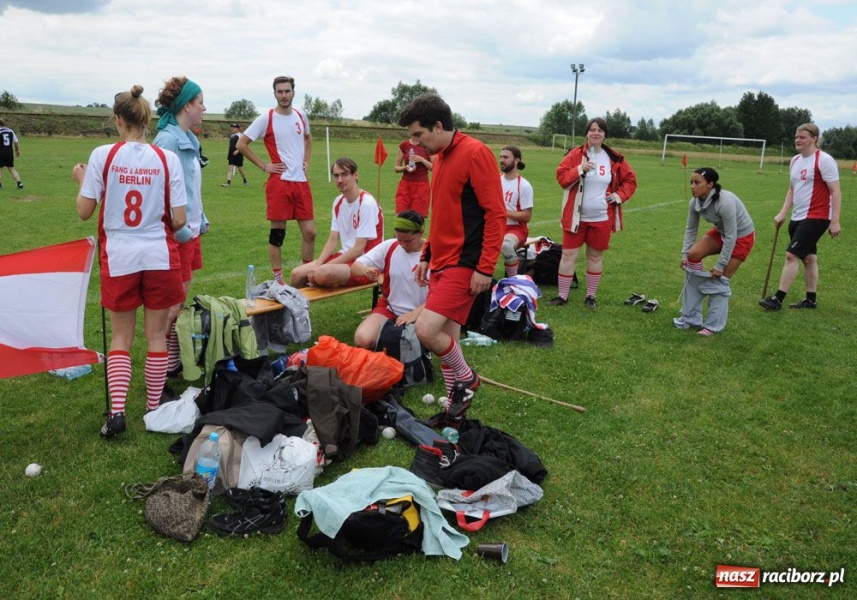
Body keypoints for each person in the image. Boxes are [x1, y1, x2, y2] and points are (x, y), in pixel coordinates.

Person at [72, 85, 188, 438]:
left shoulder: (102, 155)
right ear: (147, 120)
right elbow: (179, 219)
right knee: (156, 335)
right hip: (158, 255)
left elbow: (84, 211)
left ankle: (118, 413)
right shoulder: (167, 159)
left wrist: (83, 181)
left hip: (120, 255)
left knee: (121, 336)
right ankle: (153, 409)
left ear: (118, 120)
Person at [397, 94, 506, 424]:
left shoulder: (475, 153)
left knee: (427, 331)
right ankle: (453, 412)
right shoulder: (440, 158)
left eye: (418, 134)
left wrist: (485, 267)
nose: (415, 143)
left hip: (465, 263)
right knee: (449, 340)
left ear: (437, 126)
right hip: (441, 262)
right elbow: (442, 215)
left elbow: (496, 214)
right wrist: (427, 255)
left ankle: (468, 380)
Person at [153, 76, 208, 390]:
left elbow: (190, 187)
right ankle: (159, 373)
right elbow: (159, 194)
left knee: (180, 300)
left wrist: (202, 218)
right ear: (187, 105)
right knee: (171, 305)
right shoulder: (167, 141)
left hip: (192, 230)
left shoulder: (189, 138)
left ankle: (171, 364)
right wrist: (184, 230)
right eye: (200, 102)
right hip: (178, 235)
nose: (204, 108)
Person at [548, 117, 637, 309]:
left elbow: (630, 180)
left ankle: (590, 296)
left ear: (605, 135)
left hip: (601, 218)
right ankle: (562, 296)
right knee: (568, 255)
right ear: (587, 133)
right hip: (575, 218)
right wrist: (579, 169)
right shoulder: (575, 154)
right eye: (592, 130)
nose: (596, 133)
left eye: (600, 130)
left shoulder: (614, 158)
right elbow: (562, 178)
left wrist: (619, 195)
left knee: (595, 256)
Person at [237, 76, 315, 285]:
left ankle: (306, 276)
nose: (284, 95)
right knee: (278, 235)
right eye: (280, 92)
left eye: (287, 91)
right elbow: (241, 144)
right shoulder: (266, 118)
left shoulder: (301, 115)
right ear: (274, 94)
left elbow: (308, 138)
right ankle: (279, 280)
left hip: (301, 183)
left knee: (310, 233)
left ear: (293, 93)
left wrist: (306, 160)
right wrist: (264, 166)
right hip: (280, 183)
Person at [759, 123, 841, 310]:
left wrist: (835, 220)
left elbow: (835, 191)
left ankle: (777, 299)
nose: (797, 140)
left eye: (802, 137)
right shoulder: (795, 160)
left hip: (817, 216)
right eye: (796, 136)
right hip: (798, 216)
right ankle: (811, 300)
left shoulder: (824, 160)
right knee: (809, 258)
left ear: (814, 139)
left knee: (791, 255)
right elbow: (792, 189)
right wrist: (783, 212)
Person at [674, 167, 755, 335]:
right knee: (693, 255)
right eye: (691, 182)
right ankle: (691, 317)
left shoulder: (725, 202)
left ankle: (712, 326)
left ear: (710, 184)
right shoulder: (694, 202)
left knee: (720, 280)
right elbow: (691, 229)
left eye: (697, 183)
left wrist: (720, 264)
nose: (692, 186)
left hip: (741, 237)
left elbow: (732, 236)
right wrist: (684, 255)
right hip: (721, 233)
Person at [289, 157, 381, 288]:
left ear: (356, 175)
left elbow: (358, 249)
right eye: (336, 175)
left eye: (345, 174)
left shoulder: (366, 203)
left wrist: (323, 266)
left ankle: (316, 283)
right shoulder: (338, 202)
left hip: (366, 263)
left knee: (321, 273)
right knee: (296, 274)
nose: (340, 180)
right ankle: (295, 301)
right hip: (346, 257)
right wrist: (318, 263)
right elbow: (333, 240)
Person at [351, 210, 428, 349]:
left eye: (408, 241)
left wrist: (415, 313)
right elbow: (355, 267)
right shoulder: (390, 246)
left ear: (421, 233)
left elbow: (442, 294)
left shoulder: (433, 254)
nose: (403, 245)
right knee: (362, 339)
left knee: (409, 345)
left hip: (424, 312)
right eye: (399, 239)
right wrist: (366, 271)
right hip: (390, 308)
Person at [499, 145, 533, 277]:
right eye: (501, 157)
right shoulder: (495, 180)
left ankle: (513, 282)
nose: (502, 160)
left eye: (506, 157)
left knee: (506, 246)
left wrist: (503, 212)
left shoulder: (524, 185)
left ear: (517, 160)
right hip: (494, 226)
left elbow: (526, 216)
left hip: (515, 229)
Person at [393, 135, 434, 217]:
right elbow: (396, 168)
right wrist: (405, 168)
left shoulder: (428, 145)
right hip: (405, 185)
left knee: (417, 217)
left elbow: (434, 167)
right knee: (401, 215)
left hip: (421, 186)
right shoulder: (404, 145)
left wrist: (422, 160)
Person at [0, 119, 24, 189]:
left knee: (0, 169)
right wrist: (17, 151)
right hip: (9, 153)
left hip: (1, 153)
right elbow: (16, 142)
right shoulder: (10, 131)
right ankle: (19, 184)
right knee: (11, 168)